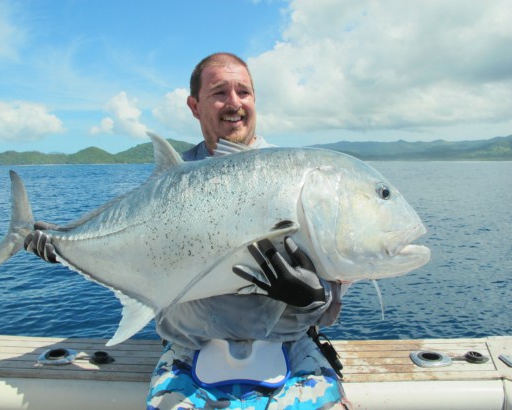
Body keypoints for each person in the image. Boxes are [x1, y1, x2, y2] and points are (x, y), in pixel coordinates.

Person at [25, 52, 350, 409]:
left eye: (244, 91)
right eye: (219, 92)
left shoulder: (296, 176)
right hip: (189, 353)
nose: (234, 102)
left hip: (290, 349)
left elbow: (333, 285)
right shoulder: (172, 183)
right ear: (195, 106)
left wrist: (317, 296)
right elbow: (131, 244)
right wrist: (68, 242)